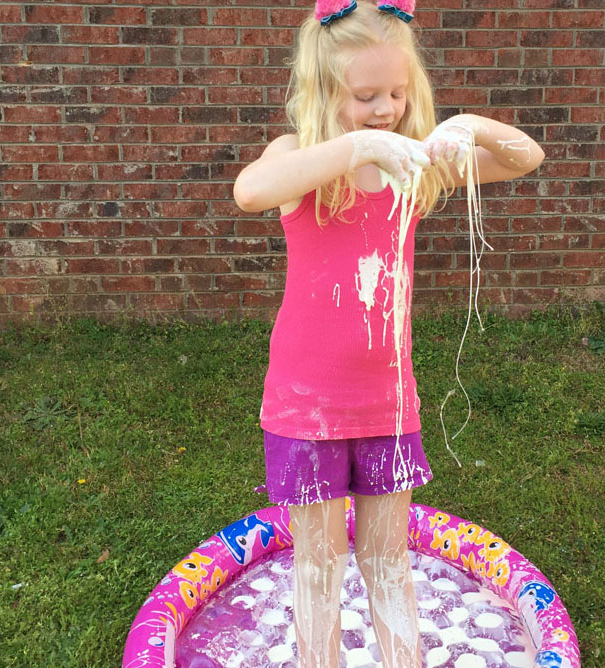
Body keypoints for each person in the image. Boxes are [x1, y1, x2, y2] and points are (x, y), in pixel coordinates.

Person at [233, 1, 545, 666]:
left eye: (398, 94)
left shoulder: (415, 165)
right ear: (323, 90)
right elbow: (250, 191)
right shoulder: (301, 158)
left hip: (387, 403)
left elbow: (526, 158)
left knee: (387, 561)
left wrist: (467, 125)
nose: (386, 109)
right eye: (366, 96)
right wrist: (358, 145)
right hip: (305, 408)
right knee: (318, 567)